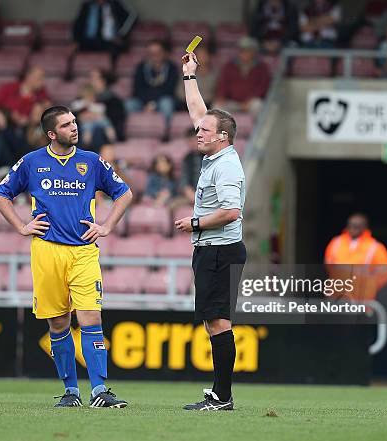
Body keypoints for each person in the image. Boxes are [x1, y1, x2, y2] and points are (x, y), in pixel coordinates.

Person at [0, 105, 133, 408]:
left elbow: (124, 193)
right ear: (52, 134)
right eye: (67, 125)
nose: (75, 127)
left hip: (83, 251)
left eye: (74, 122)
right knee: (58, 323)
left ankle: (99, 390)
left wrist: (107, 225)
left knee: (91, 317)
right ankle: (71, 392)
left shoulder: (91, 161)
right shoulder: (31, 162)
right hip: (46, 251)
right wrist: (21, 225)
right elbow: (0, 194)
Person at [174, 51, 247, 411]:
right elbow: (198, 113)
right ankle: (221, 394)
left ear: (221, 137)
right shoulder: (217, 155)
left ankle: (223, 397)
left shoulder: (227, 167)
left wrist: (195, 222)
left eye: (204, 130)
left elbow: (232, 212)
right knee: (214, 323)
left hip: (219, 249)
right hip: (211, 250)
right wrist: (190, 76)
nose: (197, 131)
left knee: (218, 323)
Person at [0, 66, 51, 179]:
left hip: (17, 137)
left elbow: (46, 112)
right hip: (3, 128)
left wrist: (22, 120)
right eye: (39, 78)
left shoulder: (42, 95)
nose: (42, 81)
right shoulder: (9, 89)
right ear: (28, 77)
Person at [324, 213, 387, 302]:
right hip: (336, 298)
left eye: (356, 226)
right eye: (350, 225)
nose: (352, 228)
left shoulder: (375, 247)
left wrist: (369, 286)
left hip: (362, 300)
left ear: (364, 227)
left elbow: (385, 273)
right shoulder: (336, 242)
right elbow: (329, 266)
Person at [126, 40, 178, 140]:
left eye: (157, 52)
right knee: (129, 104)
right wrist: (147, 103)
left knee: (167, 104)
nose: (154, 55)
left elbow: (170, 89)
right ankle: (127, 135)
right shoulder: (141, 67)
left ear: (164, 53)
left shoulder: (171, 68)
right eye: (151, 53)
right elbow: (137, 88)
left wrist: (153, 103)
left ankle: (165, 134)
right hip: (143, 100)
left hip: (162, 99)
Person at [214, 37, 271, 117]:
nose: (244, 53)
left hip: (251, 102)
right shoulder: (229, 65)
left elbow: (263, 87)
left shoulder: (262, 67)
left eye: (248, 50)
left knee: (258, 105)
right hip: (232, 101)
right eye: (242, 50)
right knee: (217, 107)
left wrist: (249, 101)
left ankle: (257, 130)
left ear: (254, 52)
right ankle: (222, 129)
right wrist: (221, 97)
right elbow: (223, 84)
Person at [72, 0, 137, 61]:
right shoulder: (87, 6)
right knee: (72, 49)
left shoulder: (115, 4)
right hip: (90, 41)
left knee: (116, 48)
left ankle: (111, 71)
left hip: (110, 41)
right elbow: (77, 25)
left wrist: (121, 35)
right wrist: (75, 40)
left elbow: (133, 16)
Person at [71, 83, 117, 152]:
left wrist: (94, 115)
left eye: (91, 96)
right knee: (87, 125)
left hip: (96, 121)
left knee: (105, 121)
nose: (89, 98)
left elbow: (101, 112)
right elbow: (75, 110)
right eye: (87, 96)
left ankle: (110, 132)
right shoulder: (79, 103)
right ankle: (86, 139)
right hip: (87, 122)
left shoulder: (96, 104)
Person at [89, 68, 126, 141]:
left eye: (94, 78)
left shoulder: (114, 100)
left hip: (105, 135)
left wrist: (97, 116)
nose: (90, 81)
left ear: (103, 81)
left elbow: (117, 120)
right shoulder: (83, 97)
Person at [176, 127, 204, 207]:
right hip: (192, 196)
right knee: (173, 205)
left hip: (210, 197)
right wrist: (188, 191)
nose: (192, 143)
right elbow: (184, 180)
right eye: (189, 141)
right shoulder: (187, 158)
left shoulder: (212, 156)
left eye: (194, 140)